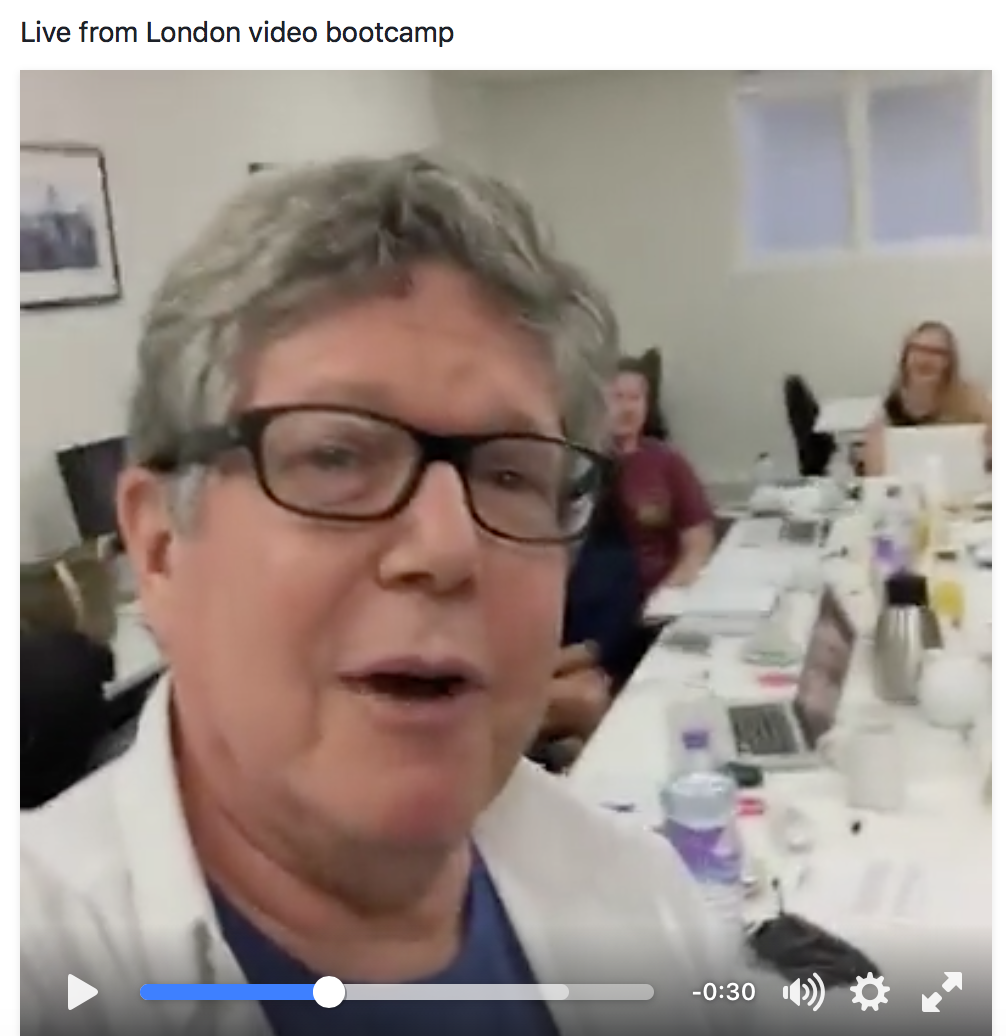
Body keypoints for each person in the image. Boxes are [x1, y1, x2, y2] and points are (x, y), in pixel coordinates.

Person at [21, 156, 735, 1036]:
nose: (446, 547)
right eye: (335, 456)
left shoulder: (646, 902)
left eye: (511, 473)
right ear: (162, 548)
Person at [607, 358, 717, 596]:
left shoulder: (667, 460)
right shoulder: (576, 462)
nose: (628, 408)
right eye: (617, 397)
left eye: (635, 398)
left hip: (659, 593)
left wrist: (677, 583)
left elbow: (698, 533)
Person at [862, 320, 992, 475]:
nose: (926, 359)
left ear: (949, 362)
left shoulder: (970, 398)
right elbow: (875, 475)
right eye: (918, 349)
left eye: (937, 352)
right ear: (905, 357)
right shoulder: (891, 405)